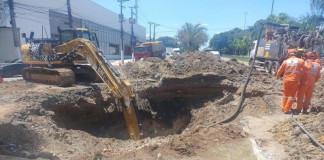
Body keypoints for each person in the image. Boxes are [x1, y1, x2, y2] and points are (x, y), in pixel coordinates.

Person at [276, 49, 310, 114]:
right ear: (296, 54)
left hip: (286, 80)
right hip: (294, 80)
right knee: (291, 95)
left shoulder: (285, 61)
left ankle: (284, 107)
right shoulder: (300, 61)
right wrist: (309, 62)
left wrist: (277, 76)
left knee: (285, 94)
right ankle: (287, 109)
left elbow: (280, 70)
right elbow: (307, 68)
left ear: (288, 54)